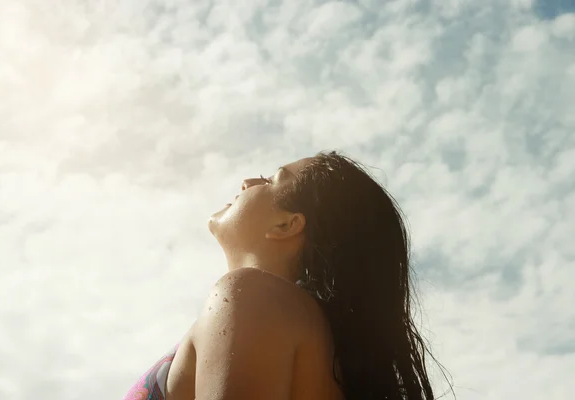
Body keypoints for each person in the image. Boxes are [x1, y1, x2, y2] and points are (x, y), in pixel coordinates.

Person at [123, 150, 448, 400]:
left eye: (270, 180)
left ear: (287, 224)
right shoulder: (316, 337)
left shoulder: (250, 296)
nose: (248, 182)